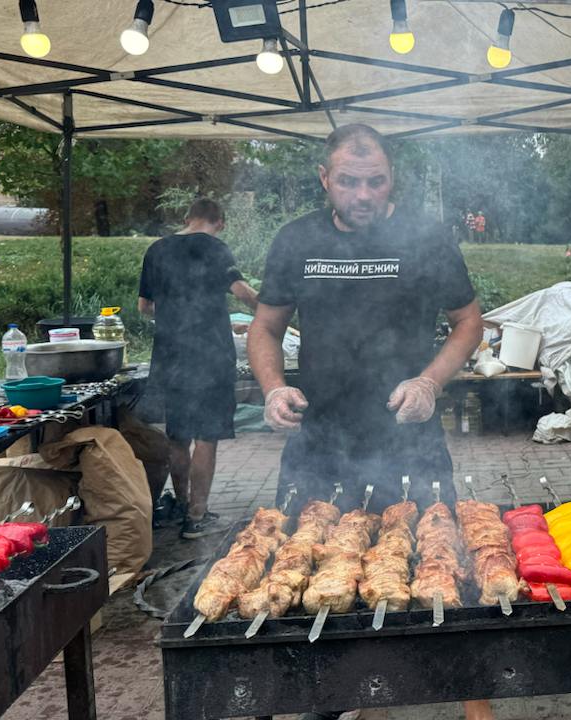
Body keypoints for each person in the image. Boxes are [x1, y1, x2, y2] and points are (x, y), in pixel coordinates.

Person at [247, 124, 488, 720]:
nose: (362, 194)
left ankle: (471, 695)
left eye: (374, 180)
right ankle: (325, 697)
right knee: (303, 565)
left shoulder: (425, 238)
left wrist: (429, 382)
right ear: (326, 180)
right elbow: (265, 328)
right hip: (320, 438)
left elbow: (469, 321)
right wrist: (275, 389)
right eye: (348, 181)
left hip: (408, 434)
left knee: (441, 563)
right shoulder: (296, 239)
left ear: (391, 180)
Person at [139, 198, 259, 539]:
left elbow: (145, 306)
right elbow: (242, 292)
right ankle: (197, 515)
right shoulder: (216, 248)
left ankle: (180, 504)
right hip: (209, 357)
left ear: (188, 218)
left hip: (170, 354)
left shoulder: (157, 250)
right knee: (207, 436)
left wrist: (176, 310)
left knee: (178, 436)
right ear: (218, 221)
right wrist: (272, 309)